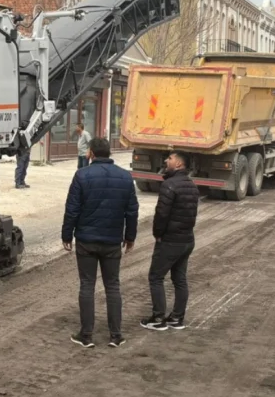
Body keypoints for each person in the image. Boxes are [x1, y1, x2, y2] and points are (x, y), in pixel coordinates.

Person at [62, 138, 139, 348]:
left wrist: (67, 235)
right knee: (113, 285)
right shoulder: (125, 177)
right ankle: (116, 335)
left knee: (87, 285)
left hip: (86, 240)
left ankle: (86, 335)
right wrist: (129, 237)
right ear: (109, 153)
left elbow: (72, 209)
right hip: (113, 241)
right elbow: (132, 211)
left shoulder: (81, 175)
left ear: (91, 153)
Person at [140, 151, 199, 331]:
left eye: (170, 159)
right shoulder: (192, 186)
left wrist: (158, 234)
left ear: (179, 165)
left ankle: (158, 318)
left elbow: (162, 214)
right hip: (187, 240)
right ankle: (177, 318)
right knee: (179, 278)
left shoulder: (169, 185)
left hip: (170, 241)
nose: (166, 160)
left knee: (156, 277)